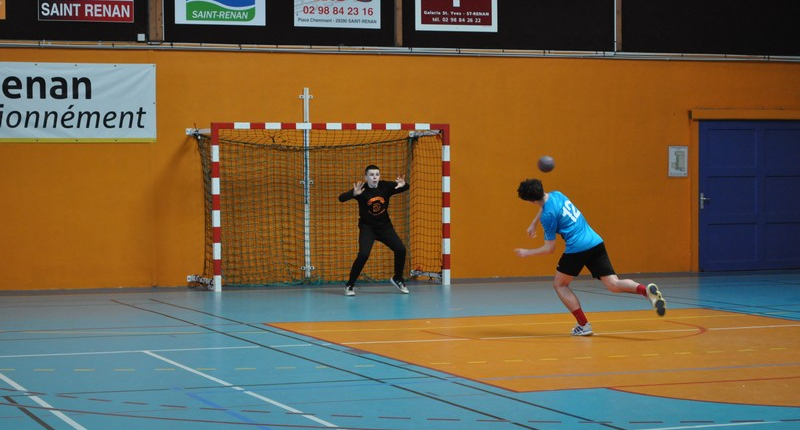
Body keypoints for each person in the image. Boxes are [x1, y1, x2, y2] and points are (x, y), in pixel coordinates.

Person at [514, 178, 666, 336]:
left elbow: (549, 248)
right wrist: (534, 223)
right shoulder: (557, 194)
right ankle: (645, 291)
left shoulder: (547, 216)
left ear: (530, 201)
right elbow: (545, 203)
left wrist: (527, 252)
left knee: (560, 285)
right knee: (613, 284)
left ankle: (583, 325)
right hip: (595, 242)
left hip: (577, 248)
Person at [338, 165, 410, 296]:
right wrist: (353, 194)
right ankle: (350, 284)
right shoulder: (361, 189)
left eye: (377, 174)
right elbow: (341, 198)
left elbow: (405, 187)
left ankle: (398, 278)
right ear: (366, 177)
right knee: (363, 254)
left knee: (401, 249)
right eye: (371, 175)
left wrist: (403, 185)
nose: (375, 177)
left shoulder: (385, 186)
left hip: (385, 227)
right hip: (368, 228)